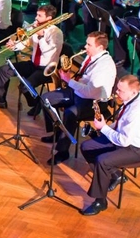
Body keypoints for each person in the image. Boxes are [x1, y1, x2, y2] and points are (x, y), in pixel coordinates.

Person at [79, 75, 140, 216]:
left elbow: (124, 141)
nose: (116, 93)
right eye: (117, 89)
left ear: (133, 92)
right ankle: (116, 175)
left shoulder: (137, 112)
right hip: (124, 139)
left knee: (102, 161)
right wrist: (106, 127)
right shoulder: (135, 96)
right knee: (86, 147)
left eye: (120, 91)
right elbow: (122, 123)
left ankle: (100, 201)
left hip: (136, 149)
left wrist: (104, 128)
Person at [42, 31, 116, 165]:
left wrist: (68, 81)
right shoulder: (91, 56)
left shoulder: (104, 67)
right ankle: (58, 132)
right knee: (45, 99)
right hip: (79, 92)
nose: (85, 47)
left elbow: (90, 92)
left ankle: (62, 152)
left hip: (94, 102)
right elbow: (83, 79)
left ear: (100, 47)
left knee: (70, 113)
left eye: (89, 45)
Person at [0, 4, 63, 112]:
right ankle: (1, 100)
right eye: (36, 15)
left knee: (25, 87)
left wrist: (41, 36)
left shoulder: (56, 33)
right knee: (4, 70)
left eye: (39, 16)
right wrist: (14, 46)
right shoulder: (36, 27)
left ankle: (37, 104)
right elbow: (27, 42)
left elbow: (48, 54)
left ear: (49, 18)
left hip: (46, 70)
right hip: (33, 64)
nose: (36, 18)